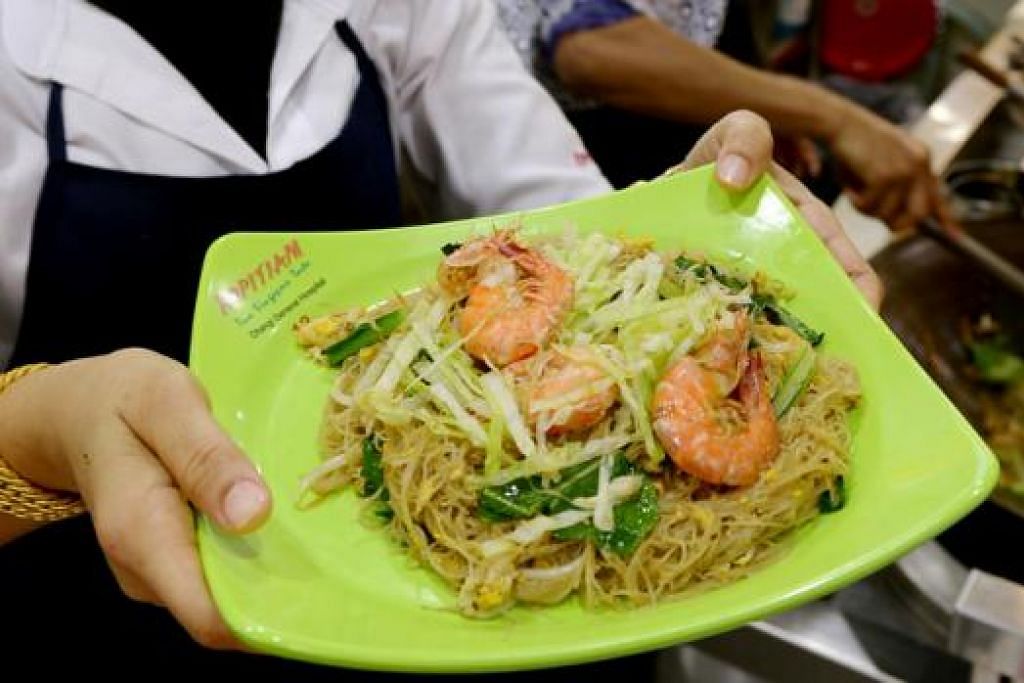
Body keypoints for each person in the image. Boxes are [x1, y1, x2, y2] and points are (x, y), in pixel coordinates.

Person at [0, 0, 880, 674]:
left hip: (446, 618)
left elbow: (552, 206)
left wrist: (690, 229)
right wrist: (36, 427)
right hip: (112, 605)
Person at [497, 0, 952, 233]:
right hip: (612, 143)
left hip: (701, 123)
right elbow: (590, 45)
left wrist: (773, 107)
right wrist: (834, 118)